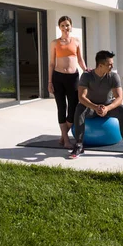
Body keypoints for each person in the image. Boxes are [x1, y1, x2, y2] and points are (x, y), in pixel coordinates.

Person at [69, 50, 123, 159]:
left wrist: (107, 108)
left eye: (112, 64)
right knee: (79, 107)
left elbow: (119, 98)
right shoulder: (87, 76)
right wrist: (95, 107)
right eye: (109, 64)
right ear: (100, 65)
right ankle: (79, 145)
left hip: (107, 108)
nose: (112, 66)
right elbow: (81, 97)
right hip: (91, 108)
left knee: (121, 109)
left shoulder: (113, 76)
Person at [48, 16, 88, 148]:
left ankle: (63, 135)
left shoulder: (76, 41)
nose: (66, 28)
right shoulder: (55, 43)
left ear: (71, 26)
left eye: (67, 25)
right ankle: (66, 141)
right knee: (61, 108)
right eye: (63, 26)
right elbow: (52, 64)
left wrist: (86, 70)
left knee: (73, 108)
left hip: (73, 78)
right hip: (58, 78)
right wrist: (49, 82)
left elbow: (80, 60)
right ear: (59, 27)